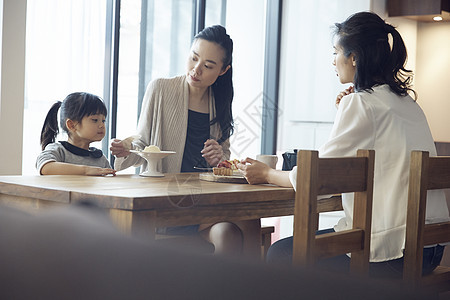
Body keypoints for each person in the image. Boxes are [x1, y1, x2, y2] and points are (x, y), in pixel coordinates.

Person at [238, 11, 450, 277]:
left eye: (336, 52)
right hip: (430, 248)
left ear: (354, 57)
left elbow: (316, 178)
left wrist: (266, 173)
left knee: (280, 255)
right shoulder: (408, 104)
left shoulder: (362, 104)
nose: (333, 61)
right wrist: (346, 108)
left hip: (394, 252)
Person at [110, 25, 260, 256]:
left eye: (208, 66)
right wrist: (125, 149)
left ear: (223, 70)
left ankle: (247, 290)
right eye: (193, 58)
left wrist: (218, 159)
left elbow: (225, 161)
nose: (196, 69)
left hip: (206, 200)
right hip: (169, 199)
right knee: (243, 226)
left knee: (243, 225)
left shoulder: (220, 101)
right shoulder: (160, 88)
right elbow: (142, 142)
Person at [36, 92, 116, 176]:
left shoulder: (100, 158)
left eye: (103, 121)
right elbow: (45, 167)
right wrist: (86, 170)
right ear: (72, 125)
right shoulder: (59, 150)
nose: (102, 125)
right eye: (95, 120)